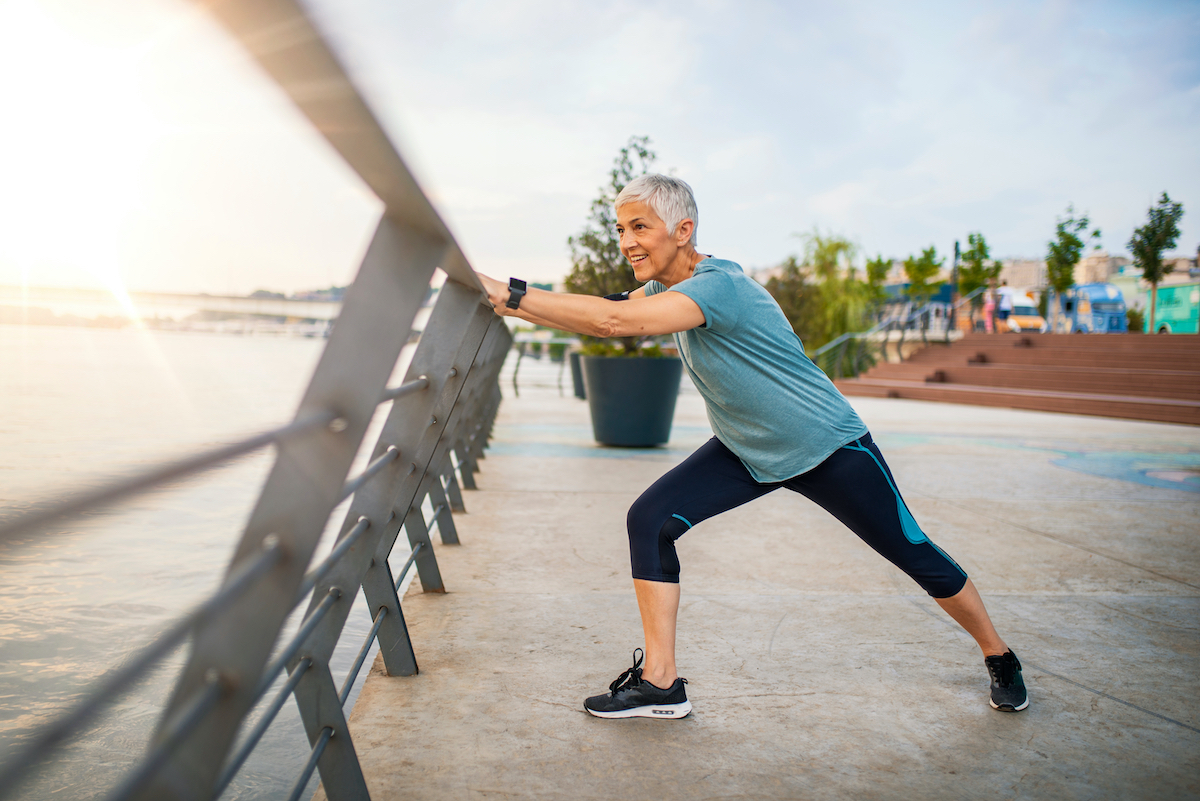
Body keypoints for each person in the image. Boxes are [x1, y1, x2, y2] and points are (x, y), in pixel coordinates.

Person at [478, 174, 1028, 720]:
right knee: (649, 519)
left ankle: (999, 656)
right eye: (621, 228)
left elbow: (613, 321)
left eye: (639, 227)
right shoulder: (664, 290)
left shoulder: (719, 286)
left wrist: (511, 292)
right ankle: (661, 684)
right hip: (745, 450)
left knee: (911, 551)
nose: (626, 242)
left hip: (825, 445)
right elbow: (603, 305)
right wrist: (506, 303)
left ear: (683, 229)